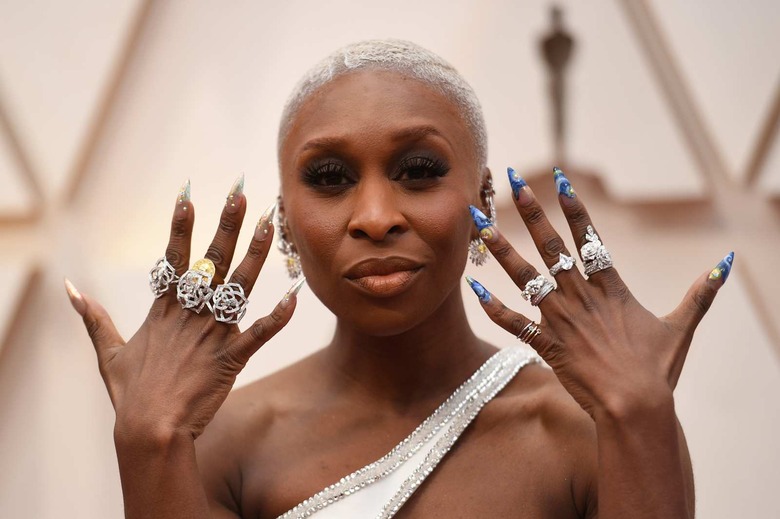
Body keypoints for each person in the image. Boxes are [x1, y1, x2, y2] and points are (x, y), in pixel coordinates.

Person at [64, 39, 732, 518]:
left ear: (482, 199)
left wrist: (639, 415)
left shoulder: (587, 427)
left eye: (418, 171)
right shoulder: (225, 442)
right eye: (330, 178)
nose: (376, 217)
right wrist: (149, 442)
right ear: (286, 220)